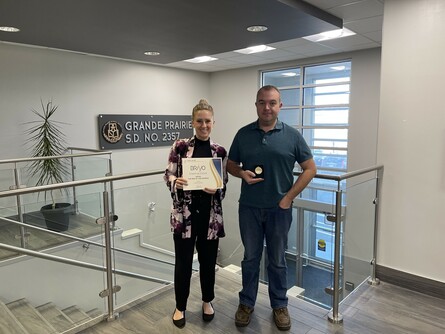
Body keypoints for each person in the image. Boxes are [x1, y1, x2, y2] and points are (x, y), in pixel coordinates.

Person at [227, 85, 317, 331]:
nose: (267, 107)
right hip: (249, 208)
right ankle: (246, 303)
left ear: (280, 105)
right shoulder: (243, 134)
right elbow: (230, 164)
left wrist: (288, 198)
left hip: (279, 210)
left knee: (277, 261)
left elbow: (310, 168)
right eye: (262, 102)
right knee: (250, 258)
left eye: (272, 103)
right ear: (256, 105)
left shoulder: (292, 136)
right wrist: (241, 174)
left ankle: (279, 305)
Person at [164, 99, 228, 329]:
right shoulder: (180, 147)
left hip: (210, 217)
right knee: (182, 263)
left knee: (208, 262)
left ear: (213, 122)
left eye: (207, 121)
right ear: (192, 122)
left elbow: (224, 184)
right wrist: (176, 182)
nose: (203, 125)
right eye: (199, 121)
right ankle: (180, 305)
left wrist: (217, 188)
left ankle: (207, 301)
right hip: (184, 216)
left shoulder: (219, 151)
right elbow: (167, 174)